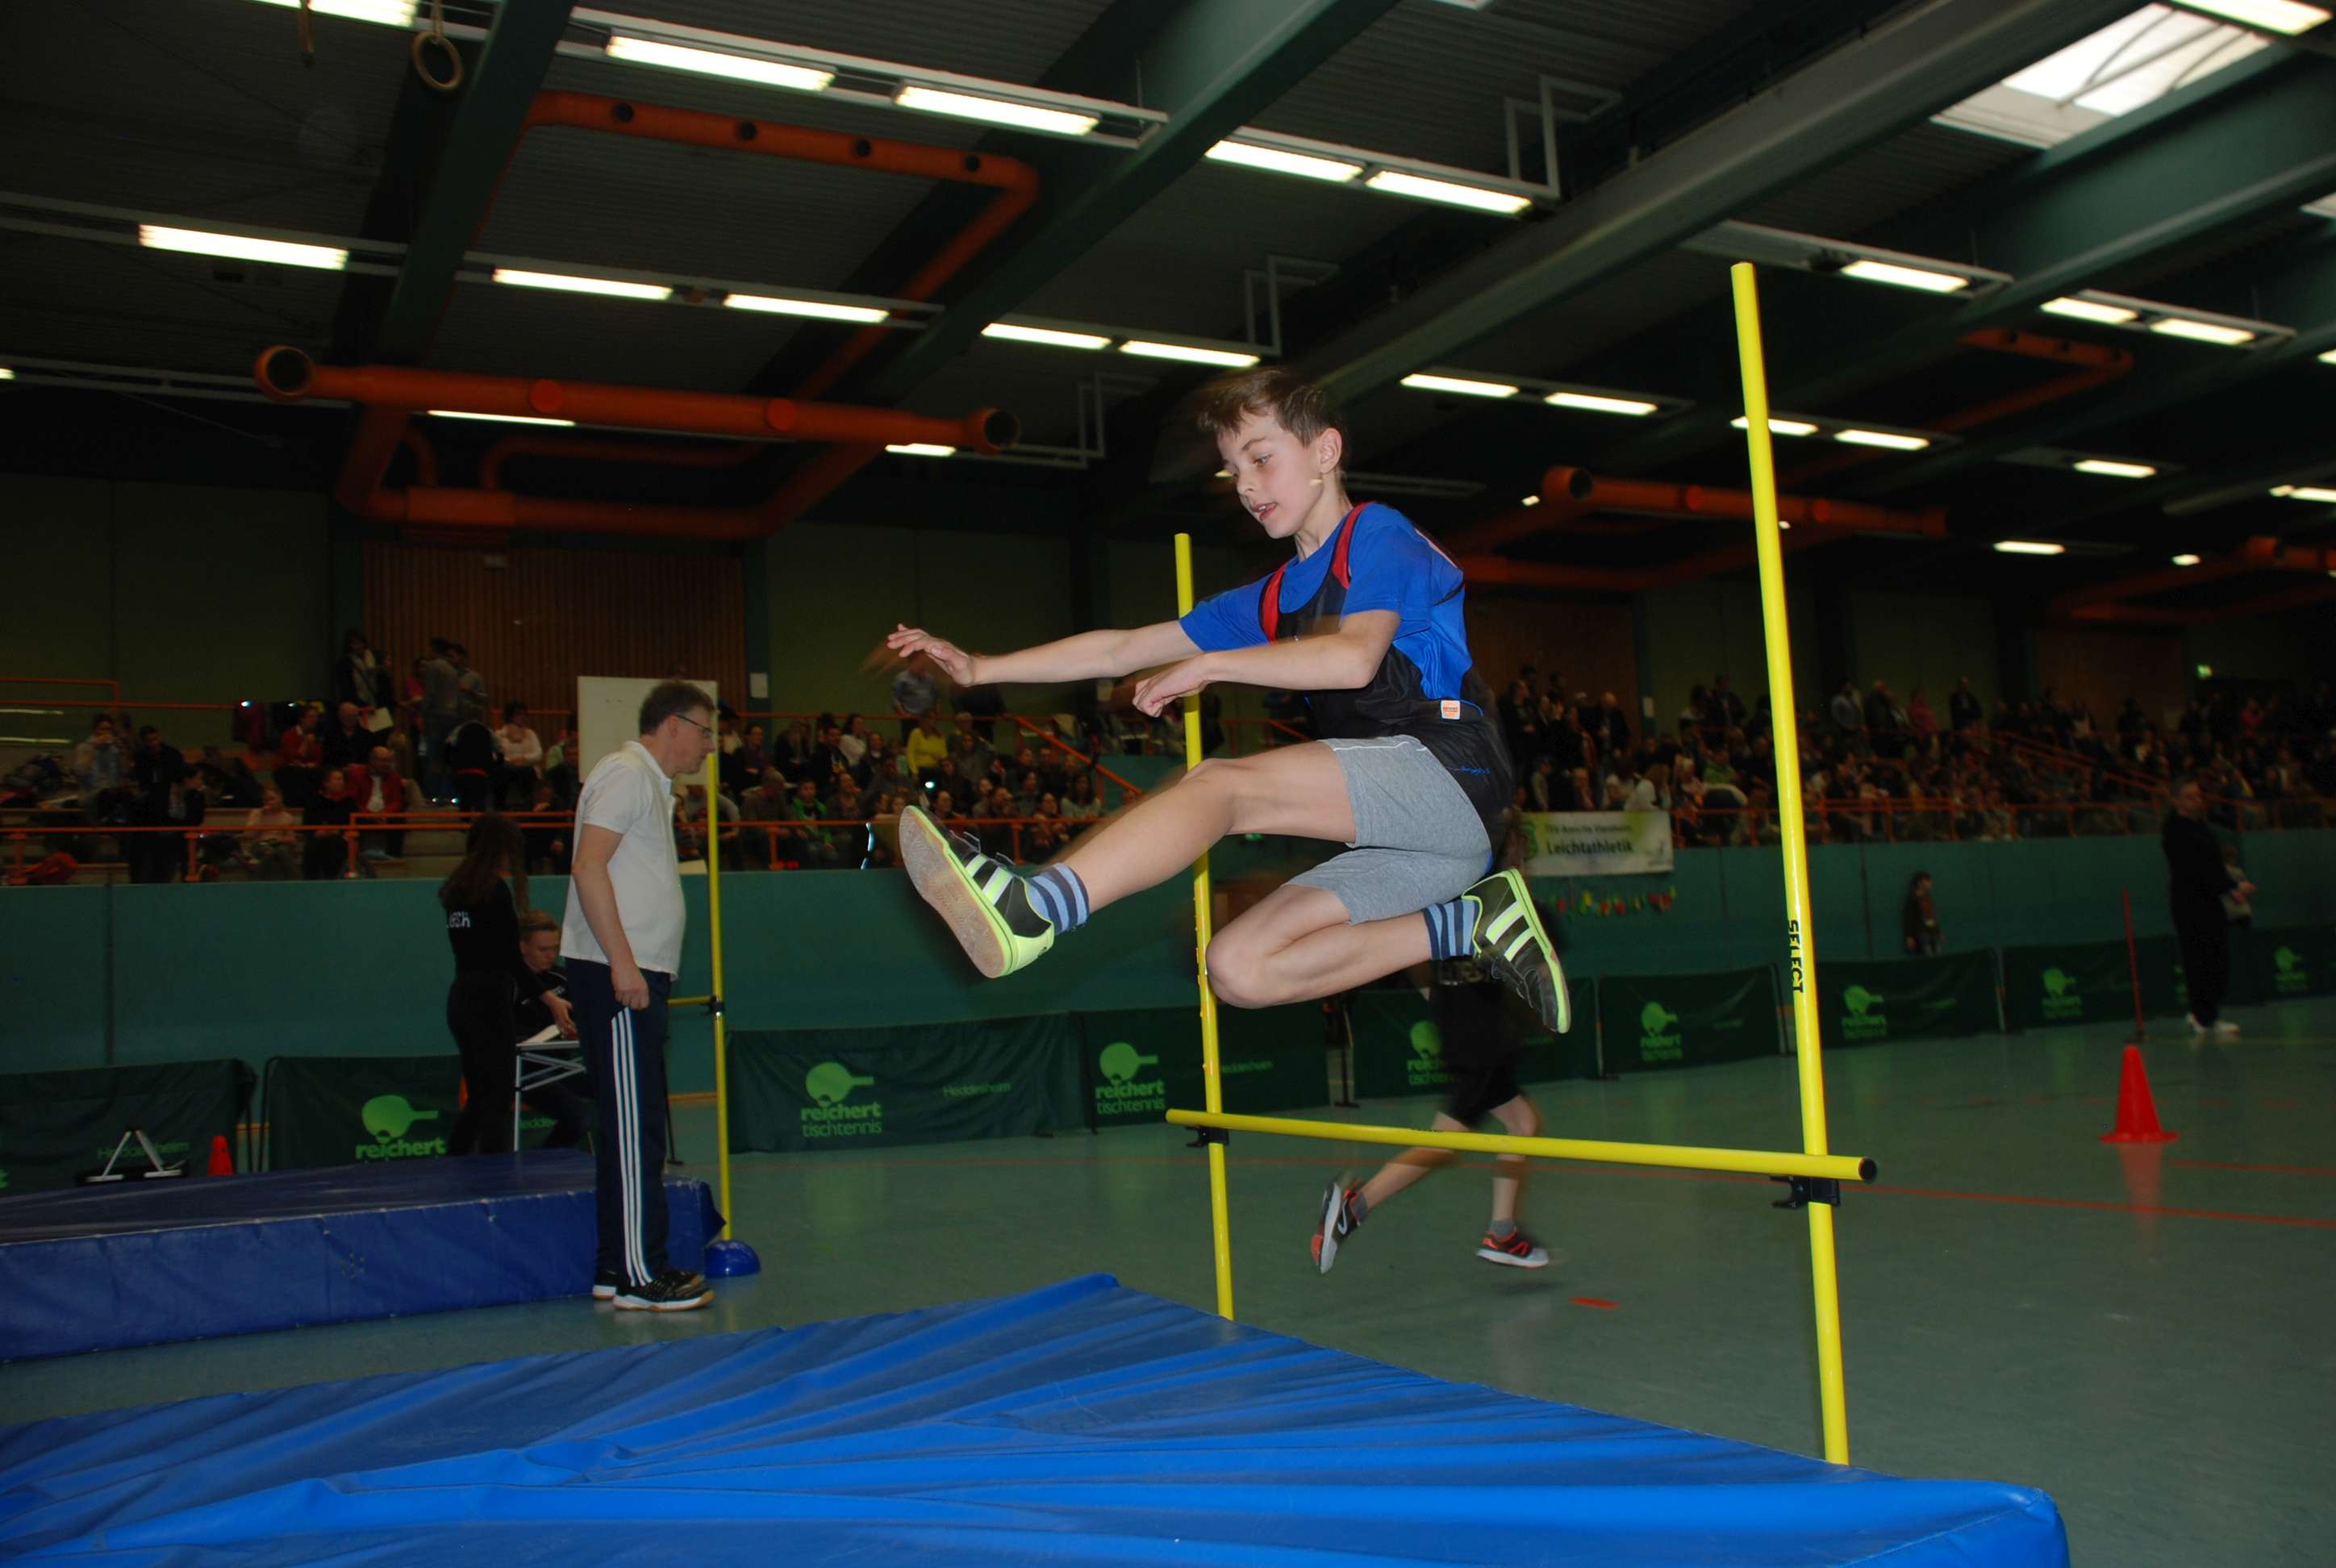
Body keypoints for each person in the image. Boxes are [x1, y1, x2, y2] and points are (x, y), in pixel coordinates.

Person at [882, 367, 1566, 1032]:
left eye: (1261, 459)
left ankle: (1037, 908)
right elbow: (1122, 650)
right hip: (1418, 842)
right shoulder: (1273, 598)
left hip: (1452, 773)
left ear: (1325, 452)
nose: (1244, 485)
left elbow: (1354, 659)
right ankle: (1469, 923)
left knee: (1220, 786)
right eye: (1232, 469)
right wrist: (981, 667)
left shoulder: (1378, 534)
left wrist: (1211, 665)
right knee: (1239, 968)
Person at [1313, 816, 1553, 1274]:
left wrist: (1435, 996)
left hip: (1474, 1037)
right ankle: (1354, 1208)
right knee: (1443, 1144)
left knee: (1523, 1122)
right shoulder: (1496, 902)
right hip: (1481, 1042)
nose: (1525, 867)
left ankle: (1503, 1233)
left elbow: (1414, 950)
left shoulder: (1453, 896)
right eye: (1522, 859)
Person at [560, 679, 718, 1312]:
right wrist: (623, 964)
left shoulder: (649, 785)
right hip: (620, 974)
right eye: (705, 731)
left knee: (635, 1122)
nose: (711, 745)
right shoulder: (626, 775)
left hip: (632, 973)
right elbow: (588, 866)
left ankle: (615, 1266)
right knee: (634, 1128)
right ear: (673, 725)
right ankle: (639, 1273)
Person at [442, 815, 573, 1157]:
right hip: (488, 1000)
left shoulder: (456, 891)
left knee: (480, 1095)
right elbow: (510, 959)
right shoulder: (494, 891)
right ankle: (494, 1173)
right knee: (498, 1096)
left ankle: (455, 1160)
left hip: (462, 997)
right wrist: (550, 999)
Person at [2163, 778, 2251, 1039]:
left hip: (2211, 902)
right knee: (2198, 961)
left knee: (2217, 959)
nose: (2197, 801)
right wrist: (2231, 888)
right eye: (2189, 796)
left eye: (2198, 796)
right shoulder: (2175, 830)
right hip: (2189, 904)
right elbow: (2197, 868)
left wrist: (2233, 888)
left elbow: (2215, 866)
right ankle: (2203, 1018)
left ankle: (2208, 1014)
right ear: (2176, 801)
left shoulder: (2204, 828)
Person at [512, 910, 592, 1149]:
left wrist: (576, 1028)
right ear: (523, 947)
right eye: (543, 950)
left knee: (614, 1092)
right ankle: (544, 1162)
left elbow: (582, 1019)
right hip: (527, 1071)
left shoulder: (562, 979)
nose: (551, 955)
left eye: (555, 948)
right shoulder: (509, 984)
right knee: (579, 1117)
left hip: (564, 1066)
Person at [1902, 871, 1942, 956]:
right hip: (1922, 934)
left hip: (1933, 933)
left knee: (1938, 954)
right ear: (1919, 883)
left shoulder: (1928, 898)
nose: (1930, 883)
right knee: (1928, 955)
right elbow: (1909, 919)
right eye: (1927, 880)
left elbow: (1933, 916)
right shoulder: (1912, 899)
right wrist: (1909, 937)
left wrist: (1938, 931)